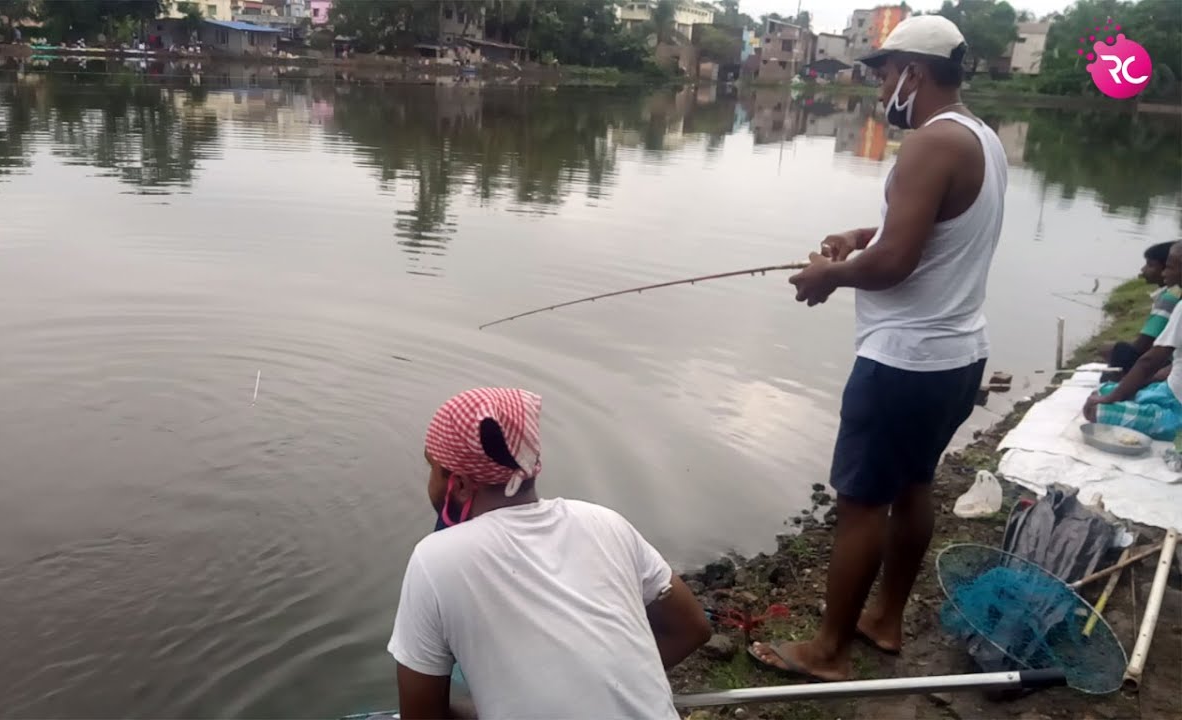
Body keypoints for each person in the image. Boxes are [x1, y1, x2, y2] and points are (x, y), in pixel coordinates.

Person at [754, 15, 1006, 682]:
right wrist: (855, 236)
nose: (882, 87)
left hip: (905, 361)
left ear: (914, 74)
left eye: (885, 74)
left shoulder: (929, 144)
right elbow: (924, 227)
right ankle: (885, 621)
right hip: (959, 355)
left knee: (862, 503)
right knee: (914, 483)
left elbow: (895, 261)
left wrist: (827, 276)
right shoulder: (982, 138)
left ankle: (828, 650)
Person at [388, 388, 711, 719]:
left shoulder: (434, 561)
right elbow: (691, 628)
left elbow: (421, 716)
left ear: (458, 484)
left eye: (432, 467)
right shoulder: (605, 523)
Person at [1085, 243, 1182, 439]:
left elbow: (1149, 360)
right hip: (1171, 391)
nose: (1165, 271)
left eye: (1170, 266)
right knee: (1103, 390)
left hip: (1176, 409)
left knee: (1095, 409)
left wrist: (1114, 397)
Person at [1101, 241, 1180, 372]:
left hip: (1165, 362)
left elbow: (1142, 345)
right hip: (1168, 358)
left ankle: (1119, 380)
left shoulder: (1170, 297)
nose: (1143, 270)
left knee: (1108, 349)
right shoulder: (1174, 294)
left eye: (1150, 265)